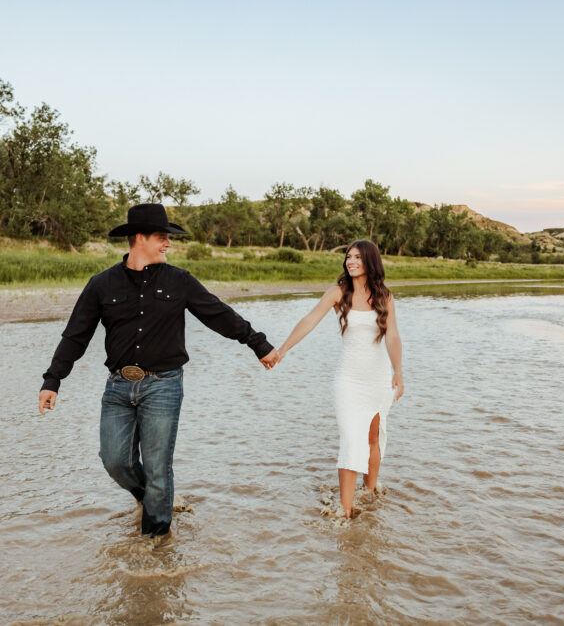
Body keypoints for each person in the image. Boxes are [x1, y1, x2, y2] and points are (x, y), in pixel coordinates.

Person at [38, 203, 281, 537]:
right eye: (162, 238)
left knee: (157, 468)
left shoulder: (179, 281)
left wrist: (258, 344)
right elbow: (75, 336)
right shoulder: (101, 284)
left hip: (164, 386)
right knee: (115, 462)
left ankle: (155, 543)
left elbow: (218, 314)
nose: (168, 244)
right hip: (118, 388)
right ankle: (151, 498)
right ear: (139, 238)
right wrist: (53, 380)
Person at [276, 239, 403, 518]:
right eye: (348, 256)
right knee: (349, 436)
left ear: (370, 261)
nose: (351, 261)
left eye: (357, 257)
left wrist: (399, 372)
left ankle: (369, 495)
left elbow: (392, 336)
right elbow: (310, 319)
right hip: (348, 379)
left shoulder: (385, 297)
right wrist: (284, 348)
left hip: (378, 378)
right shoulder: (338, 293)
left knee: (372, 437)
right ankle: (345, 512)